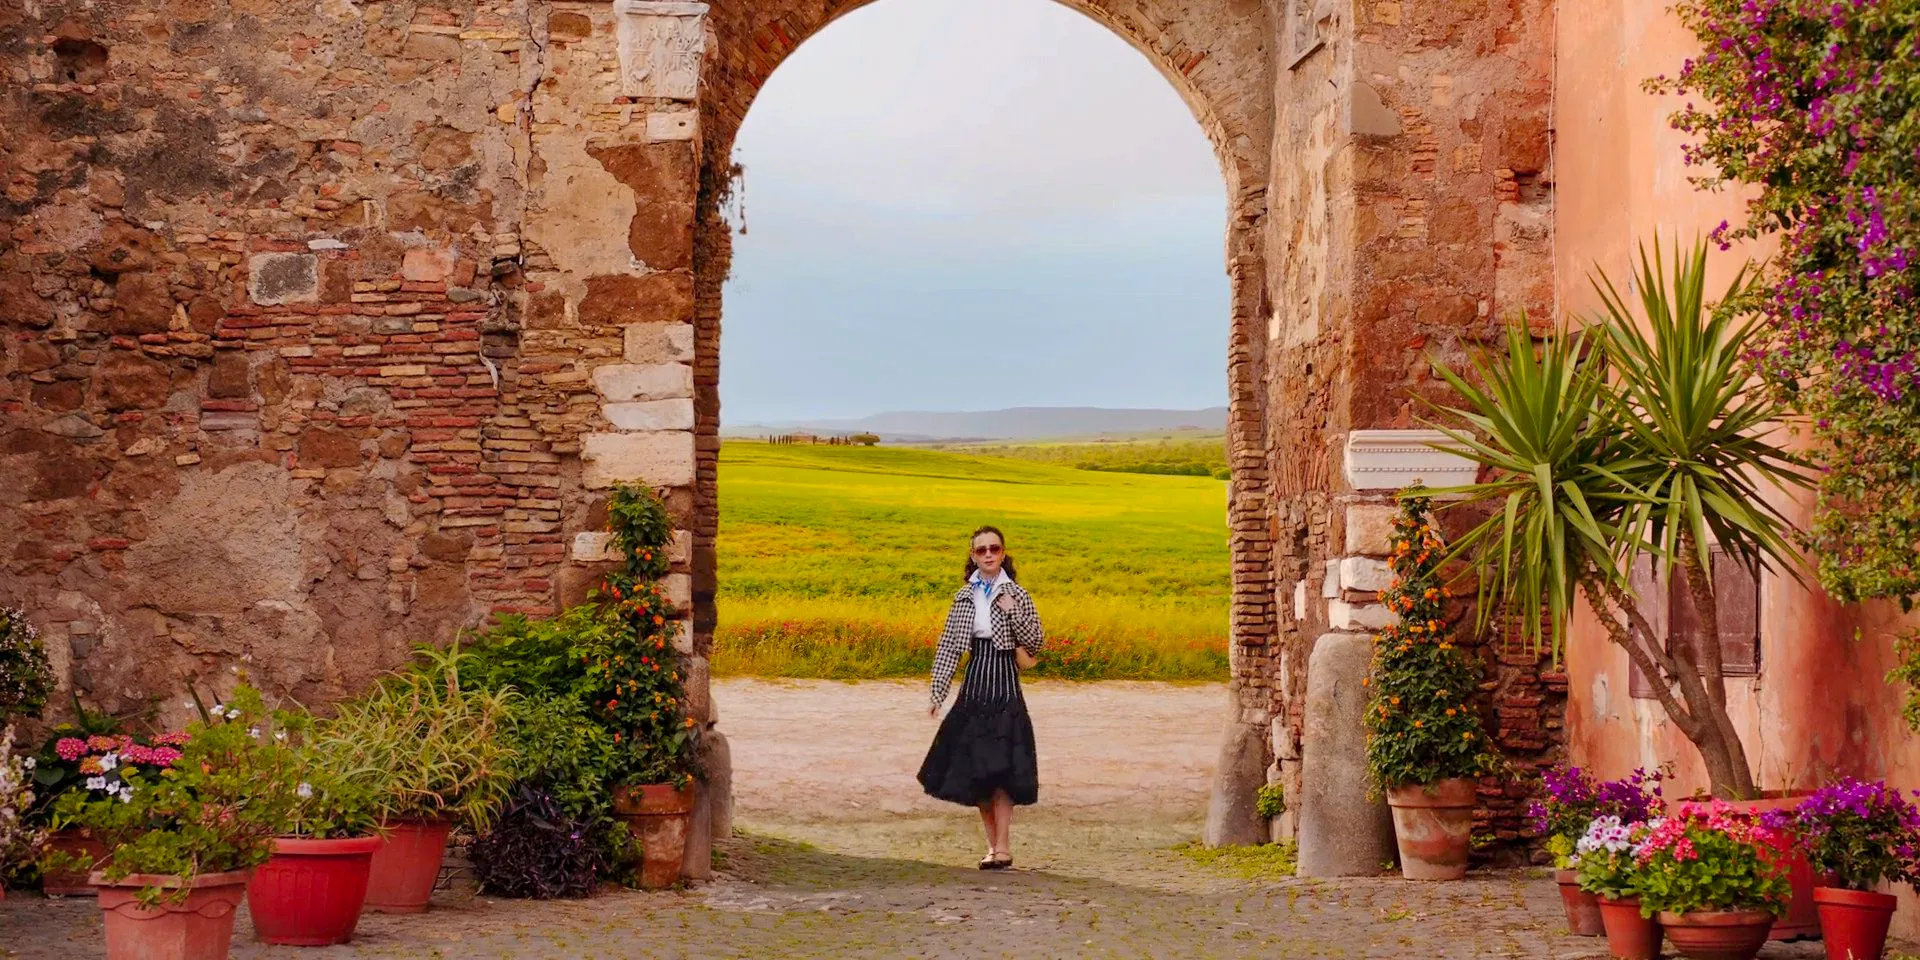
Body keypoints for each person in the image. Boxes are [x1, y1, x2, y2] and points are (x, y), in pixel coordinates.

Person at [916, 525, 1044, 870]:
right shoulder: (963, 597)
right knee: (976, 771)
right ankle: (993, 848)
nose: (988, 554)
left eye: (995, 549)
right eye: (981, 550)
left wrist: (1012, 609)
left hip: (1004, 685)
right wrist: (937, 692)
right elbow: (948, 647)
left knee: (1002, 771)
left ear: (1003, 553)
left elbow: (1035, 641)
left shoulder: (1017, 593)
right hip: (974, 685)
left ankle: (1003, 848)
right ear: (973, 556)